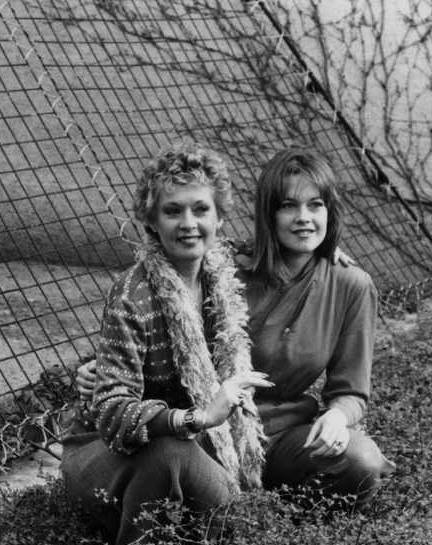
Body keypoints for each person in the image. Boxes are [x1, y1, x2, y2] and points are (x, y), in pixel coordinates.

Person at [76, 146, 395, 520]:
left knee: (361, 460)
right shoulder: (226, 269)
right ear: (268, 213)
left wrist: (339, 416)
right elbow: (163, 318)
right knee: (208, 495)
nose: (304, 218)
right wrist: (100, 369)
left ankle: (287, 524)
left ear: (331, 211)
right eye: (288, 206)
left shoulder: (351, 285)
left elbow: (351, 390)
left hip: (282, 432)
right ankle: (227, 517)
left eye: (316, 205)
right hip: (209, 428)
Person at [61, 144, 274, 545]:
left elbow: (282, 248)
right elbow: (111, 411)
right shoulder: (132, 293)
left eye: (201, 209)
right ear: (151, 222)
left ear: (220, 217)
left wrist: (327, 251)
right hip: (107, 454)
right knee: (168, 453)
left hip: (188, 446)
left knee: (230, 514)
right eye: (172, 211)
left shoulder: (221, 277)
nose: (189, 223)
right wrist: (199, 416)